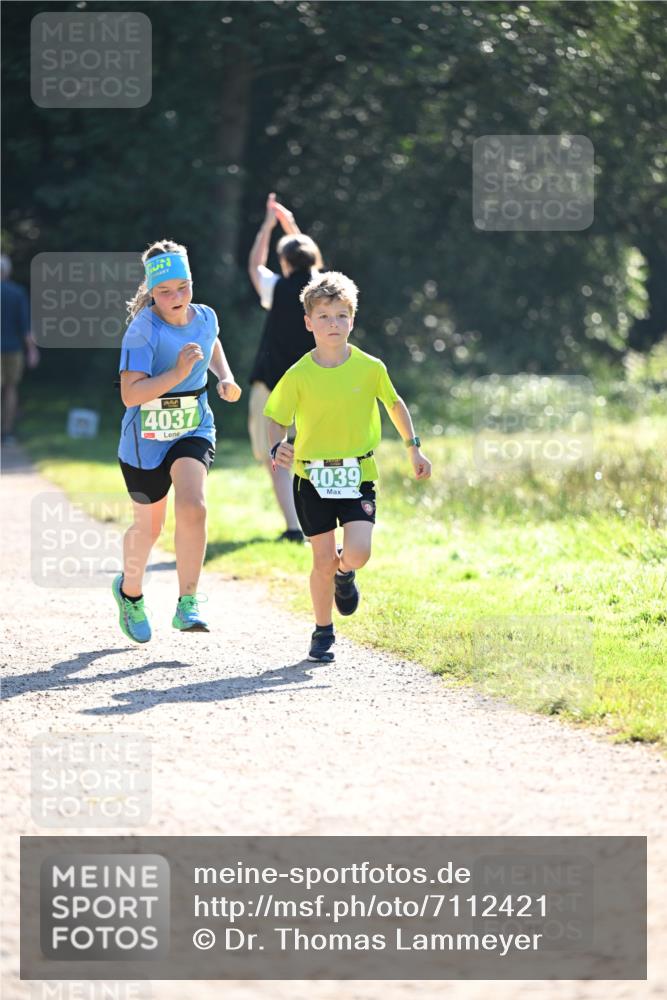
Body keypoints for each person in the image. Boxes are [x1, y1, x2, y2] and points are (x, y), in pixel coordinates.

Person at [265, 271, 432, 662]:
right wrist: (278, 445)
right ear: (308, 323)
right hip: (311, 477)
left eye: (341, 315)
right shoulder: (298, 374)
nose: (333, 323)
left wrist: (414, 450)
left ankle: (346, 574)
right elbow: (275, 416)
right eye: (323, 316)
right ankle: (323, 630)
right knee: (321, 559)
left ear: (352, 320)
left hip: (358, 474)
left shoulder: (371, 367)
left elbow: (395, 404)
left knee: (357, 553)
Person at [113, 239, 241, 643]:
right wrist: (177, 372)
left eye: (183, 287)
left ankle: (188, 603)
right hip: (144, 438)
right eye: (165, 291)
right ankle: (129, 593)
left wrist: (224, 376)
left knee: (193, 505)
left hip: (193, 426)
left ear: (191, 282)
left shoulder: (205, 316)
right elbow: (131, 395)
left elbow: (211, 340)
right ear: (152, 291)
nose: (176, 298)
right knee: (148, 528)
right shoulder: (142, 329)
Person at [247, 192, 324, 542]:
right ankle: (319, 523)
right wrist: (291, 227)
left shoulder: (277, 287)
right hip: (315, 383)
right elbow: (308, 256)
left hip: (272, 383)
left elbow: (254, 266)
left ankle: (294, 528)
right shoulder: (324, 289)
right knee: (316, 453)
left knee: (274, 454)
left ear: (284, 261)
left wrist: (268, 225)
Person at [1, 254, 40, 444]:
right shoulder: (17, 293)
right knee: (10, 389)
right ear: (7, 271)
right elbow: (25, 327)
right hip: (13, 349)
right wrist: (32, 350)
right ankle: (6, 431)